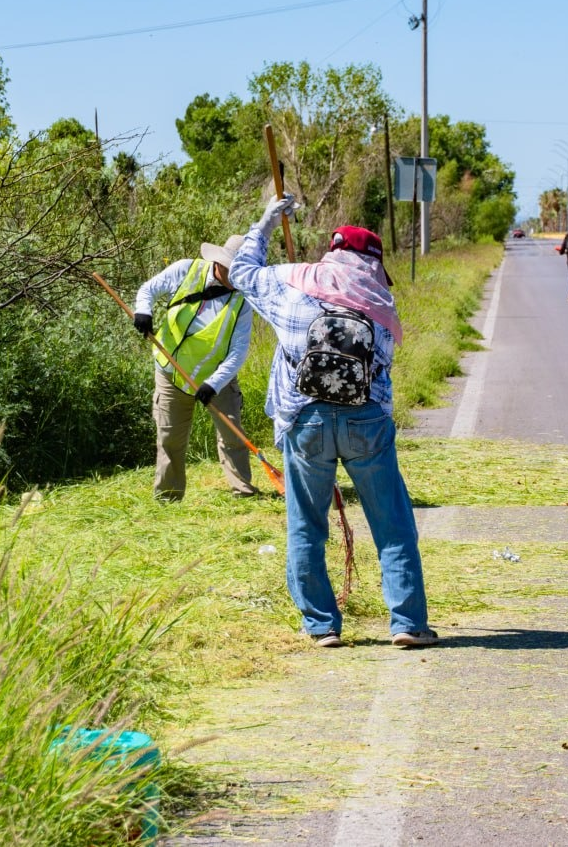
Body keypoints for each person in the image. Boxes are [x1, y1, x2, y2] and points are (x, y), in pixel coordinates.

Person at [228, 195, 437, 649]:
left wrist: (265, 223)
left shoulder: (293, 287)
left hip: (306, 422)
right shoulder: (380, 305)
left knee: (306, 523)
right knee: (393, 523)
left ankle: (322, 625)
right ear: (374, 264)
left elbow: (240, 272)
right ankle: (408, 623)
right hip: (368, 424)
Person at [133, 238, 259, 501]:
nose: (238, 277)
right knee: (170, 439)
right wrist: (142, 312)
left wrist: (213, 383)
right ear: (219, 263)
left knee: (232, 435)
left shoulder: (243, 301)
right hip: (172, 372)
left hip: (217, 379)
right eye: (234, 270)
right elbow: (148, 290)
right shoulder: (185, 270)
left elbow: (238, 351)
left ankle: (243, 491)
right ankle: (168, 497)